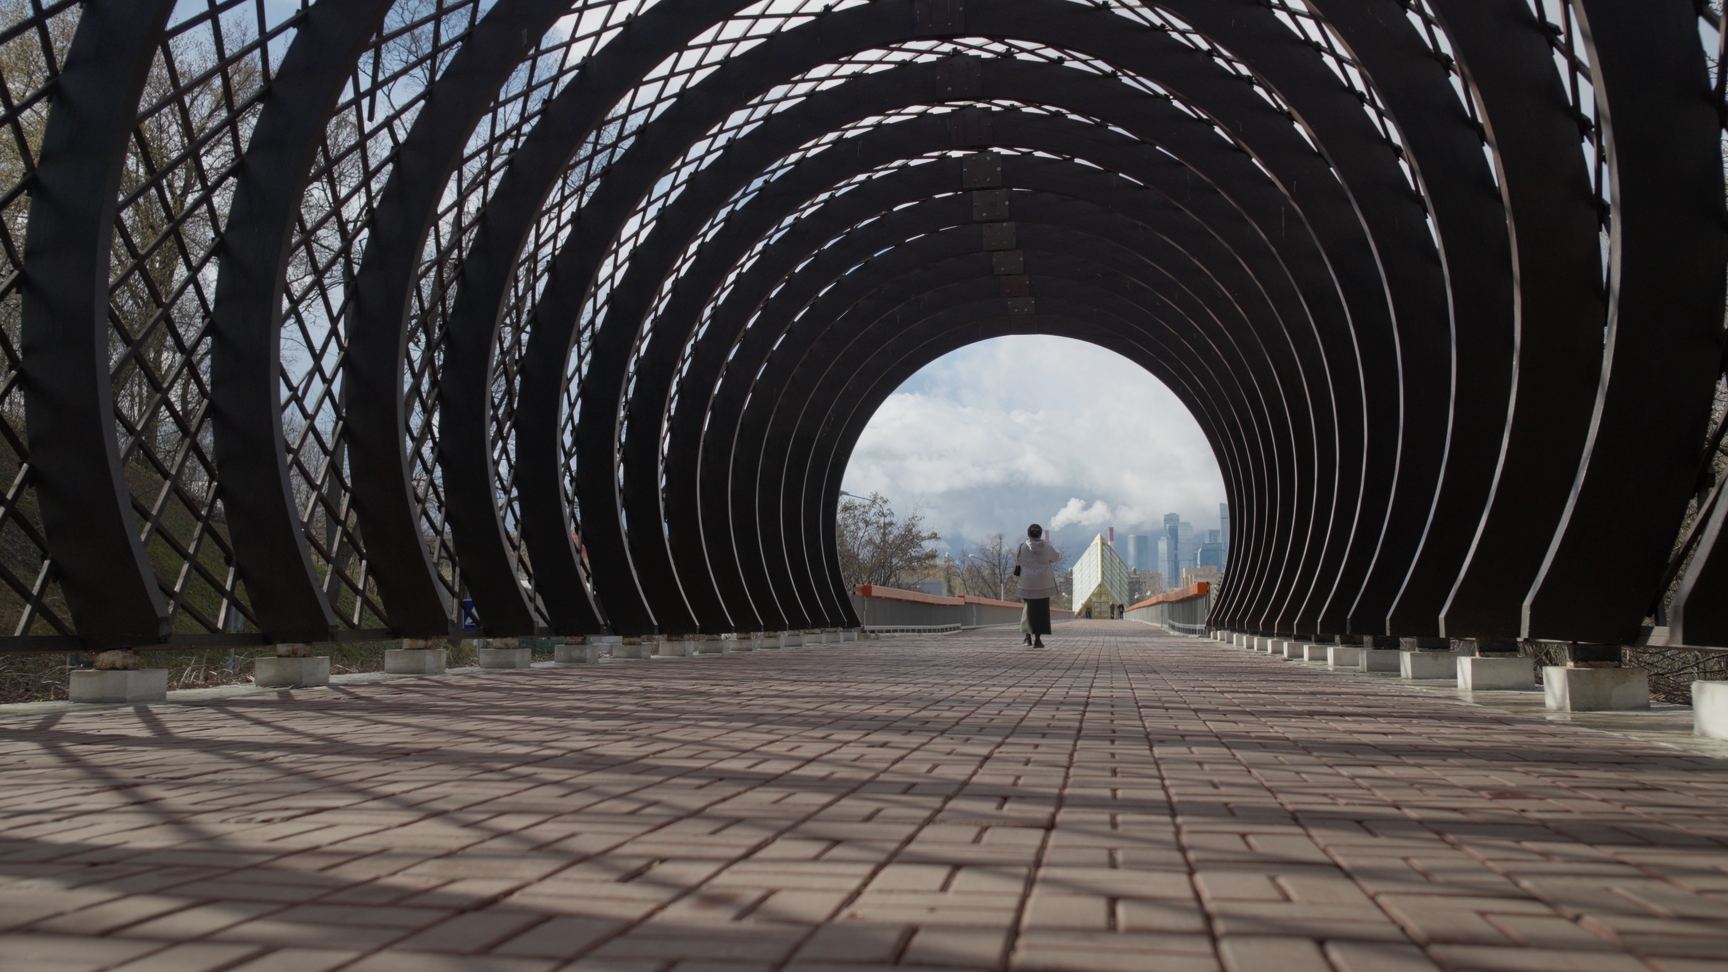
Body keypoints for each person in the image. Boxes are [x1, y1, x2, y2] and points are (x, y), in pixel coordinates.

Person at [1015, 524, 1061, 647]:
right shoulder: (1047, 547)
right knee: (1042, 611)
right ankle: (1038, 640)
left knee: (1028, 610)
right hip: (1044, 583)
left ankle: (1027, 638)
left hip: (1027, 583)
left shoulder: (1022, 547)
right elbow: (1056, 557)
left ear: (1028, 534)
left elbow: (1018, 560)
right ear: (1040, 534)